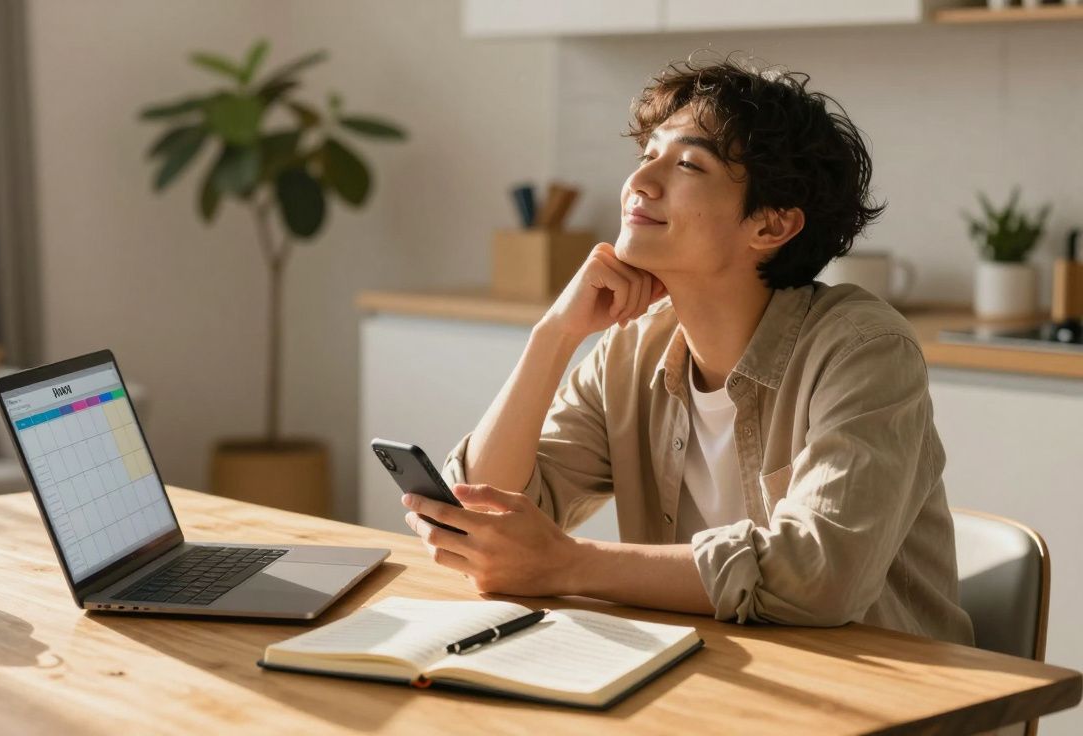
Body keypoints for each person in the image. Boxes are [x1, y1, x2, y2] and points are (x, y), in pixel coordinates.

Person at [401, 57, 974, 645]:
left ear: (772, 227)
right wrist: (554, 335)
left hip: (881, 696)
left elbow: (820, 572)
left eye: (687, 163)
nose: (640, 184)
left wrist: (568, 564)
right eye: (647, 155)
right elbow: (492, 515)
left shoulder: (864, 350)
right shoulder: (633, 347)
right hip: (703, 678)